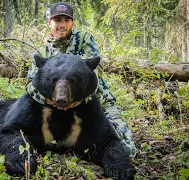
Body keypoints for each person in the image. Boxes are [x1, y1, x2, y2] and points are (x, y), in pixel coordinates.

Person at [26, 2, 136, 158]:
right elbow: (30, 84)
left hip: (94, 102)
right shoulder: (43, 52)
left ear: (72, 22)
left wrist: (79, 98)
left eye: (66, 20)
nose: (62, 25)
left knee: (126, 151)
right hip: (56, 108)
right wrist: (49, 99)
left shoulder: (84, 40)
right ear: (49, 22)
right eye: (57, 20)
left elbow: (95, 70)